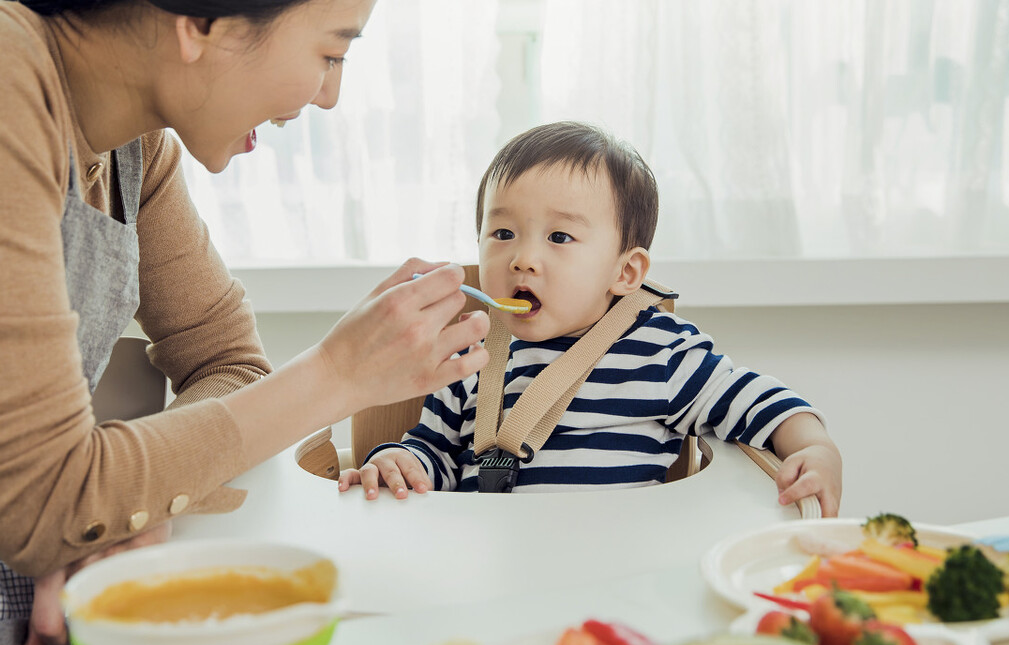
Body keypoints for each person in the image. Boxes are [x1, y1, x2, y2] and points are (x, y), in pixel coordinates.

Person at [0, 0, 492, 643]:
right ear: (204, 21)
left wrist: (128, 495)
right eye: (330, 52)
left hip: (3, 558)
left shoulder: (133, 148)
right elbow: (46, 506)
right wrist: (338, 373)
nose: (328, 96)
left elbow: (230, 363)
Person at [339, 121, 842, 514]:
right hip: (489, 575)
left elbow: (760, 401)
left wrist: (815, 449)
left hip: (614, 577)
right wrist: (402, 464)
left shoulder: (661, 353)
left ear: (625, 271)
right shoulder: (467, 356)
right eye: (503, 234)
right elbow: (436, 455)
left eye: (559, 238)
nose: (523, 259)